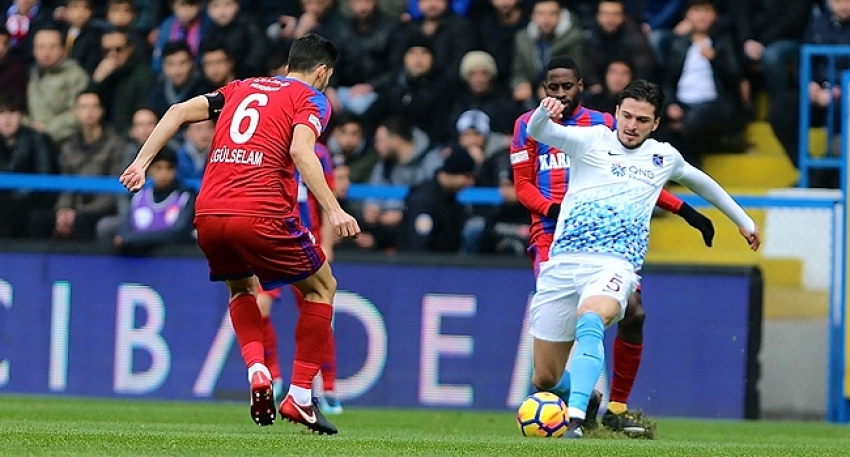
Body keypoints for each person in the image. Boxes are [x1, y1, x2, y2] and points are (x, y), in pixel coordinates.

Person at [119, 33, 360, 435]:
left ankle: (258, 369)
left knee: (241, 289)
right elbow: (302, 151)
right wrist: (334, 209)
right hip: (261, 210)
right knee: (322, 288)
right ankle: (301, 396)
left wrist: (142, 163)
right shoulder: (312, 99)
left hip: (209, 211)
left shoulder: (241, 87)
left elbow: (178, 110)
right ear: (322, 72)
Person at [524, 79, 761, 439]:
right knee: (545, 378)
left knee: (592, 318)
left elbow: (704, 184)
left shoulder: (663, 157)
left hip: (614, 265)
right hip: (563, 263)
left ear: (656, 124)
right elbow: (539, 130)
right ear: (616, 113)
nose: (632, 126)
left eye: (642, 120)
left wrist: (744, 221)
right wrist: (545, 112)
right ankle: (587, 398)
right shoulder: (590, 140)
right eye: (628, 116)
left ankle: (574, 421)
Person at [113, 147, 196, 254]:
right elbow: (124, 229)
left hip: (172, 258)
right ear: (150, 170)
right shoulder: (139, 195)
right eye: (158, 168)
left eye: (169, 168)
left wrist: (133, 240)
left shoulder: (186, 196)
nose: (164, 173)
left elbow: (178, 233)